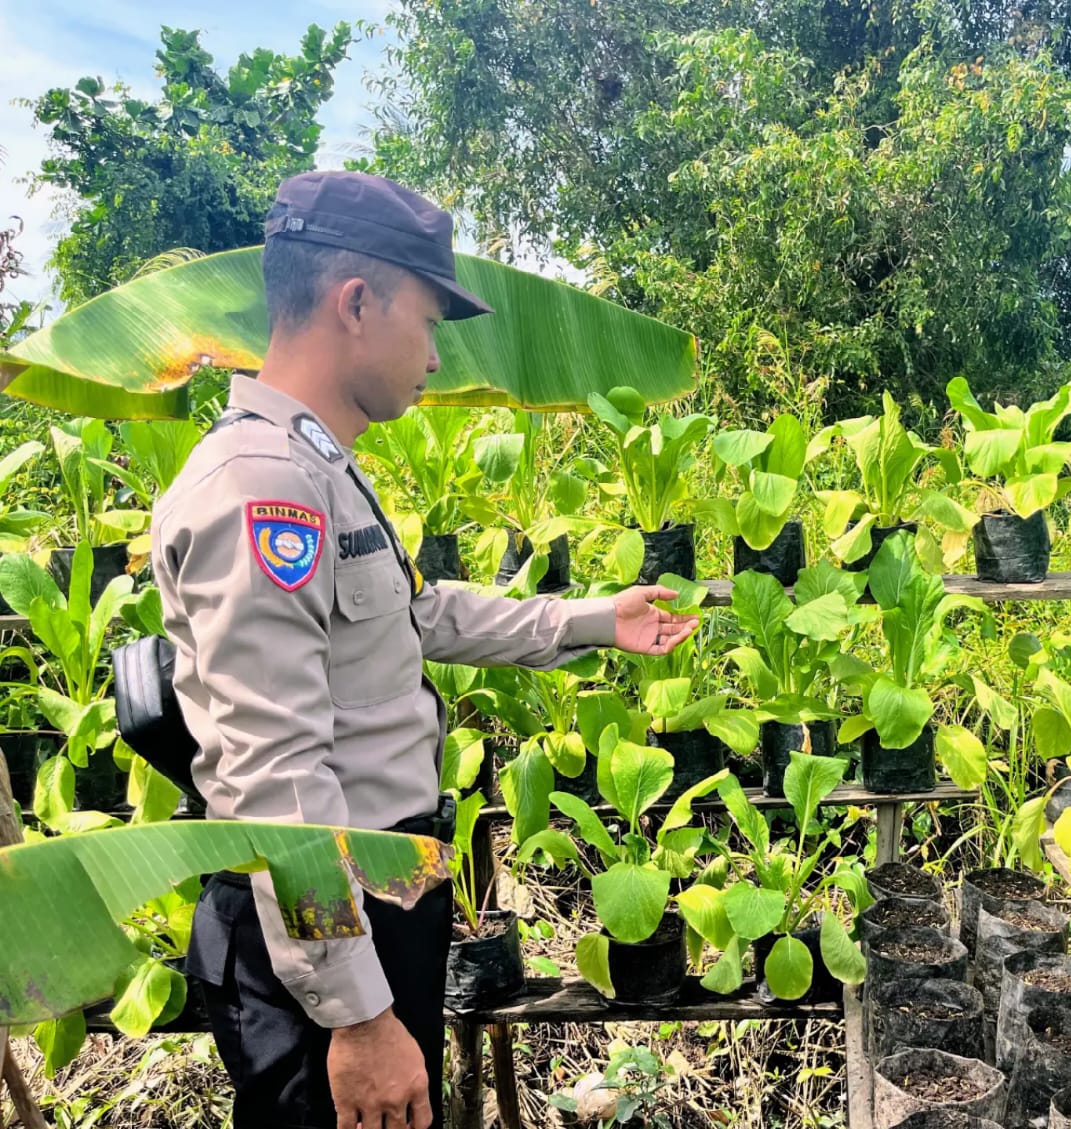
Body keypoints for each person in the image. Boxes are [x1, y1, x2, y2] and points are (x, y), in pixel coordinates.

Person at [152, 170, 698, 1129]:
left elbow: (409, 614)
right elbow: (277, 782)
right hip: (325, 945)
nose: (439, 357)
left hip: (373, 911)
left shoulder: (316, 466)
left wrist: (585, 620)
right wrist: (359, 1016)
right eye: (430, 321)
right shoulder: (262, 487)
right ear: (356, 303)